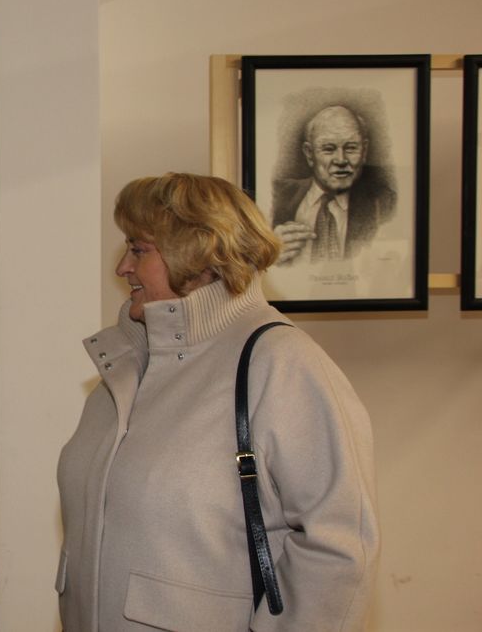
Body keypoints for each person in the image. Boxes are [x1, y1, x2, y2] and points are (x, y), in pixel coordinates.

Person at [57, 173, 379, 631]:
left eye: (139, 249)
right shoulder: (126, 363)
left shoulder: (281, 363)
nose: (123, 268)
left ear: (197, 254)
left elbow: (340, 546)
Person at [272, 105, 396, 264]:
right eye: (328, 149)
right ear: (309, 153)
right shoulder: (275, 196)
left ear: (364, 151)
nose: (341, 160)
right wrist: (268, 252)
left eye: (351, 148)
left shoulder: (385, 203)